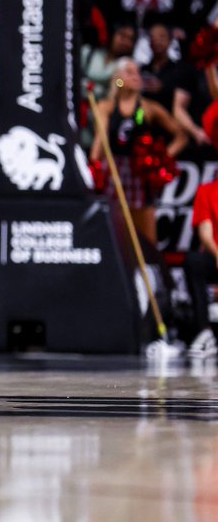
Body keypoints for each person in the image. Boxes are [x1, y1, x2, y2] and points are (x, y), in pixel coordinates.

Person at [89, 56, 186, 243]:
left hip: (139, 175)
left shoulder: (149, 108)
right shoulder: (106, 106)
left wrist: (161, 159)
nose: (136, 76)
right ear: (118, 78)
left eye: (137, 73)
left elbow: (180, 136)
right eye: (129, 72)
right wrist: (94, 169)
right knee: (113, 230)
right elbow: (99, 140)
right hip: (114, 171)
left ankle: (147, 268)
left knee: (145, 235)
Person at [182, 176, 218, 358]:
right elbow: (205, 232)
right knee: (194, 261)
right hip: (216, 257)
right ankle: (204, 331)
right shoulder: (207, 190)